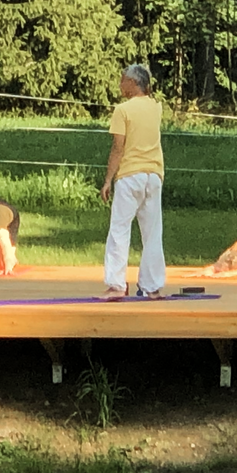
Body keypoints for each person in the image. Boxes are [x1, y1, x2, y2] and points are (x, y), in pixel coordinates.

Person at [100, 64, 166, 300]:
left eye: (122, 80)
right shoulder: (156, 107)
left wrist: (108, 180)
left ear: (132, 82)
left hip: (130, 175)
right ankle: (152, 286)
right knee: (152, 232)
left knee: (119, 229)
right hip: (154, 174)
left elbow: (118, 147)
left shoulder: (122, 110)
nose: (120, 85)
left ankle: (116, 285)